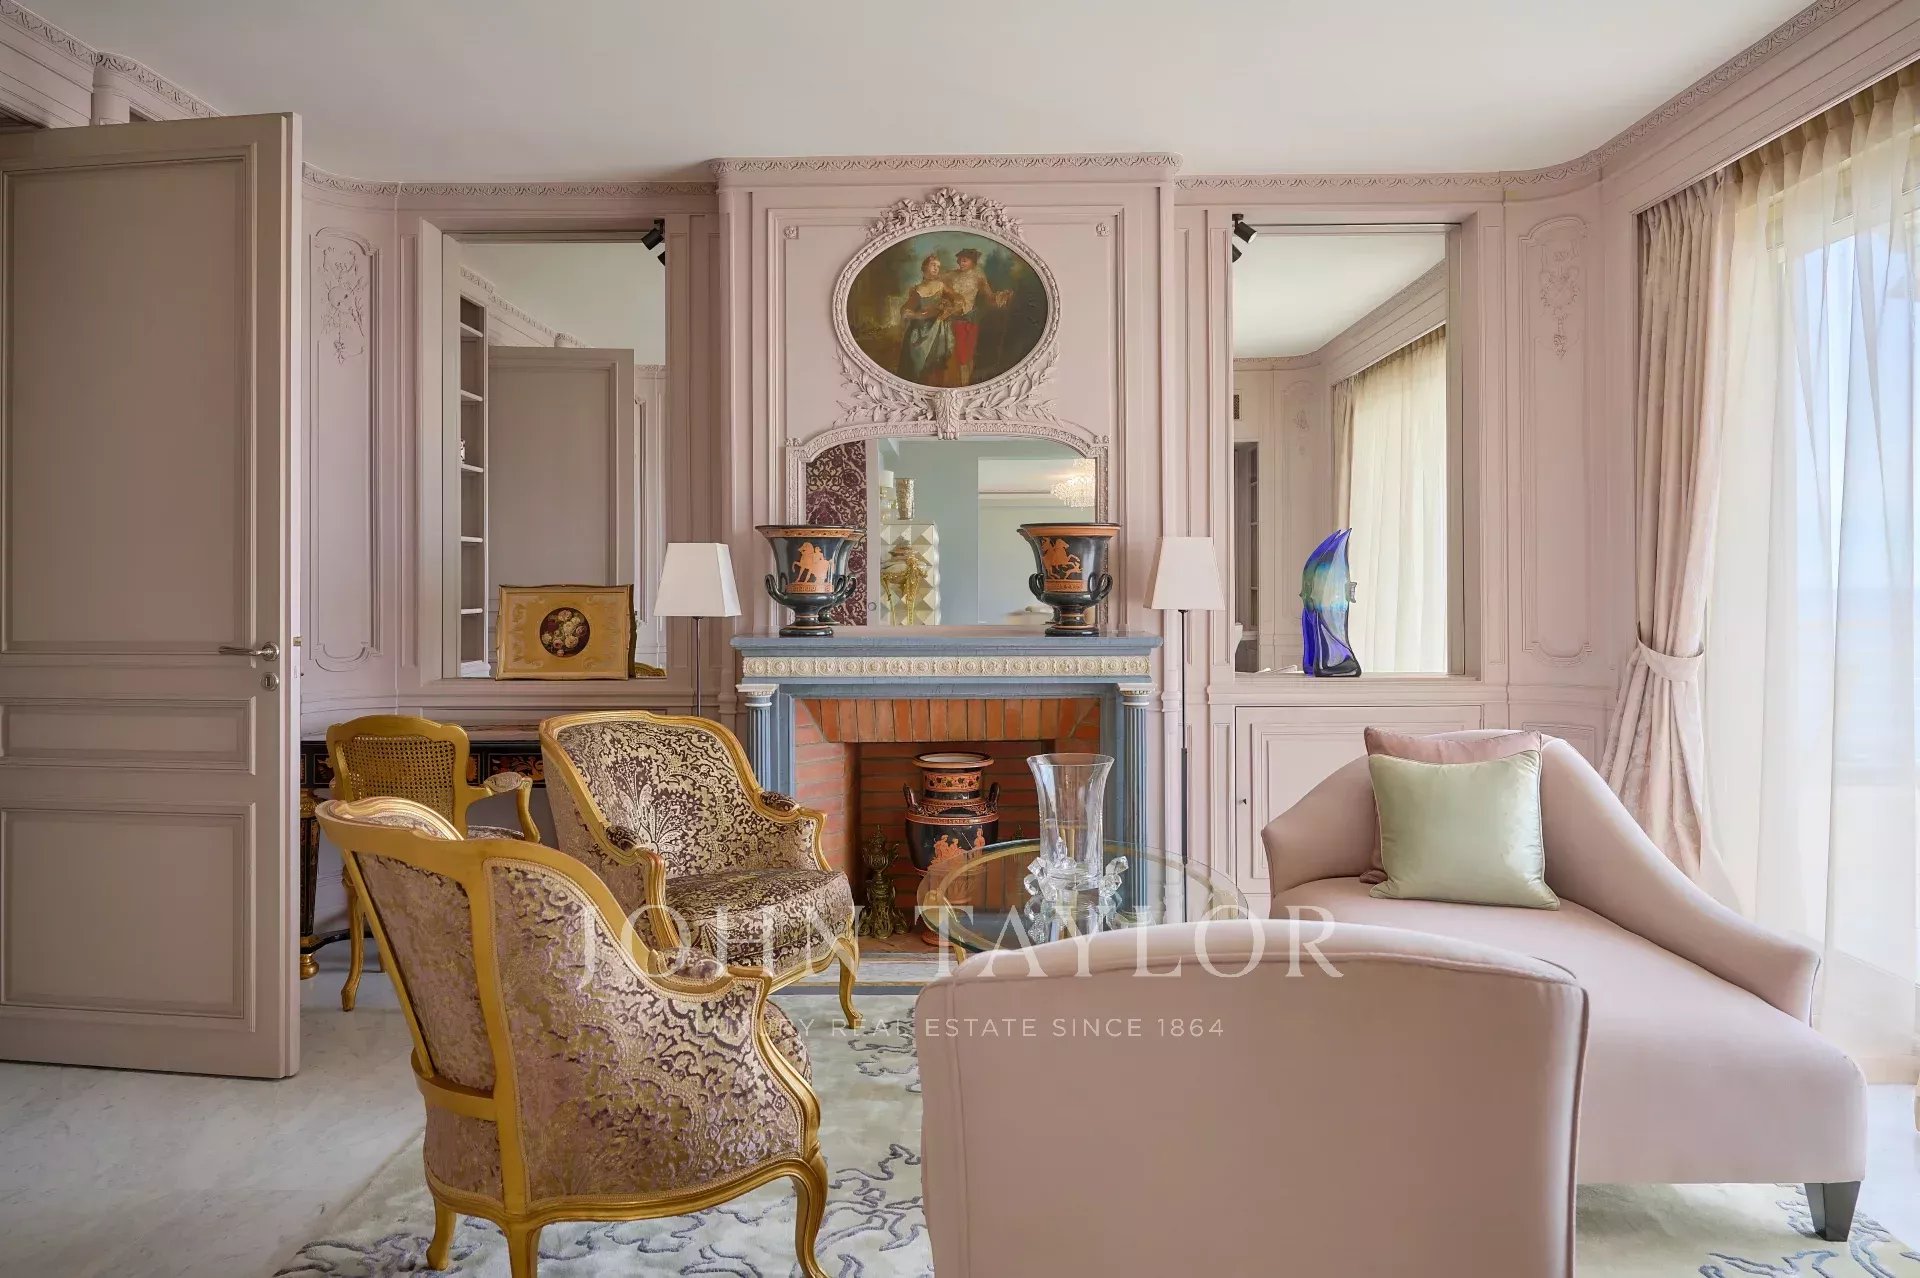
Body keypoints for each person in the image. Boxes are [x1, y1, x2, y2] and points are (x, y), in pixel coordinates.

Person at [943, 246, 1013, 385]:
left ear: (973, 262)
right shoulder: (950, 275)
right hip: (955, 319)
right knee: (961, 356)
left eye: (965, 260)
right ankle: (963, 386)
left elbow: (990, 297)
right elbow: (936, 286)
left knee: (968, 355)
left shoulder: (978, 276)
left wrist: (1002, 296)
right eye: (960, 260)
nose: (961, 263)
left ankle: (967, 385)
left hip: (971, 319)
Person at [897, 253, 958, 384]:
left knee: (937, 365)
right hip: (919, 330)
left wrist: (948, 308)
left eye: (938, 266)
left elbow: (958, 299)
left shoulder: (941, 285)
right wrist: (915, 315)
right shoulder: (916, 289)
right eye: (933, 265)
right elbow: (905, 309)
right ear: (925, 267)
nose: (936, 268)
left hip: (938, 329)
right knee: (917, 365)